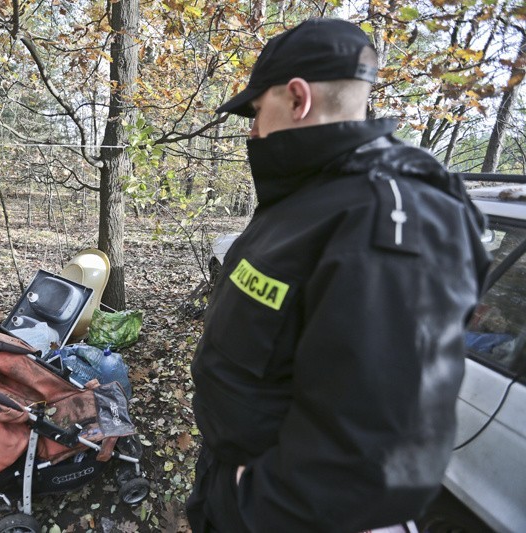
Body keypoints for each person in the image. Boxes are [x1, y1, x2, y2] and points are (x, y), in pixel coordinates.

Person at [187, 18, 491, 532]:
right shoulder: (311, 199)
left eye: (258, 112)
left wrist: (252, 499)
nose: (253, 131)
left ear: (298, 99)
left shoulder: (390, 219)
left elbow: (379, 456)